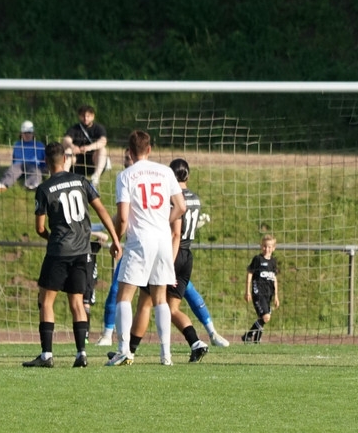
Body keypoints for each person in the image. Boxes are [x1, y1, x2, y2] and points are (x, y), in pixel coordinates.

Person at [95, 151, 230, 349]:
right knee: (174, 304)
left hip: (166, 250)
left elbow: (175, 232)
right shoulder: (195, 198)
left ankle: (127, 347)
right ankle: (201, 339)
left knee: (144, 302)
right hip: (185, 253)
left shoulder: (170, 197)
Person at [23, 142, 121, 369]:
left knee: (46, 301)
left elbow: (39, 228)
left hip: (59, 251)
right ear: (65, 159)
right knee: (77, 302)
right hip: (82, 252)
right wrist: (116, 239)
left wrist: (51, 238)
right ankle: (81, 354)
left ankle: (46, 355)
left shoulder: (45, 188)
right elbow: (102, 210)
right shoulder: (81, 181)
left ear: (46, 162)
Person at [106, 130, 185, 367]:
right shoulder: (166, 172)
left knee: (124, 295)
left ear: (129, 152)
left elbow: (122, 217)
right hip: (162, 239)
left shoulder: (125, 176)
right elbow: (181, 207)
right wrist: (162, 221)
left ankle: (124, 350)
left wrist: (116, 239)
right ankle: (166, 355)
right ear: (149, 149)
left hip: (140, 239)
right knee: (160, 298)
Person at [0, 120, 47, 192]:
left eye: (29, 133)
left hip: (33, 165)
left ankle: (32, 185)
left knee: (35, 172)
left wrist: (44, 168)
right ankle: (2, 184)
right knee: (11, 171)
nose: (27, 135)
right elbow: (14, 159)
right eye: (25, 133)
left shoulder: (39, 145)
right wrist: (13, 165)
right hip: (18, 165)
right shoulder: (17, 144)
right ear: (21, 134)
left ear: (33, 134)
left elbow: (44, 159)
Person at [242, 234, 279, 343]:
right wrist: (247, 291)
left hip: (268, 293)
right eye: (264, 246)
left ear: (273, 248)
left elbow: (274, 278)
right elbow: (250, 273)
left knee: (263, 318)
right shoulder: (258, 259)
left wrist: (276, 296)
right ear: (261, 246)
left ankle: (256, 340)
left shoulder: (273, 262)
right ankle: (248, 335)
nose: (266, 249)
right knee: (266, 317)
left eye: (269, 247)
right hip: (258, 292)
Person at [62, 104, 108, 188]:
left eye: (88, 116)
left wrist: (89, 148)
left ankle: (96, 177)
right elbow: (66, 140)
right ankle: (64, 177)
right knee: (68, 151)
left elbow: (103, 141)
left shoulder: (99, 128)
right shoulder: (74, 128)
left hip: (93, 160)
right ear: (79, 116)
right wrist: (72, 147)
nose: (85, 118)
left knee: (103, 150)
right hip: (76, 161)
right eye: (83, 116)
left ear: (93, 116)